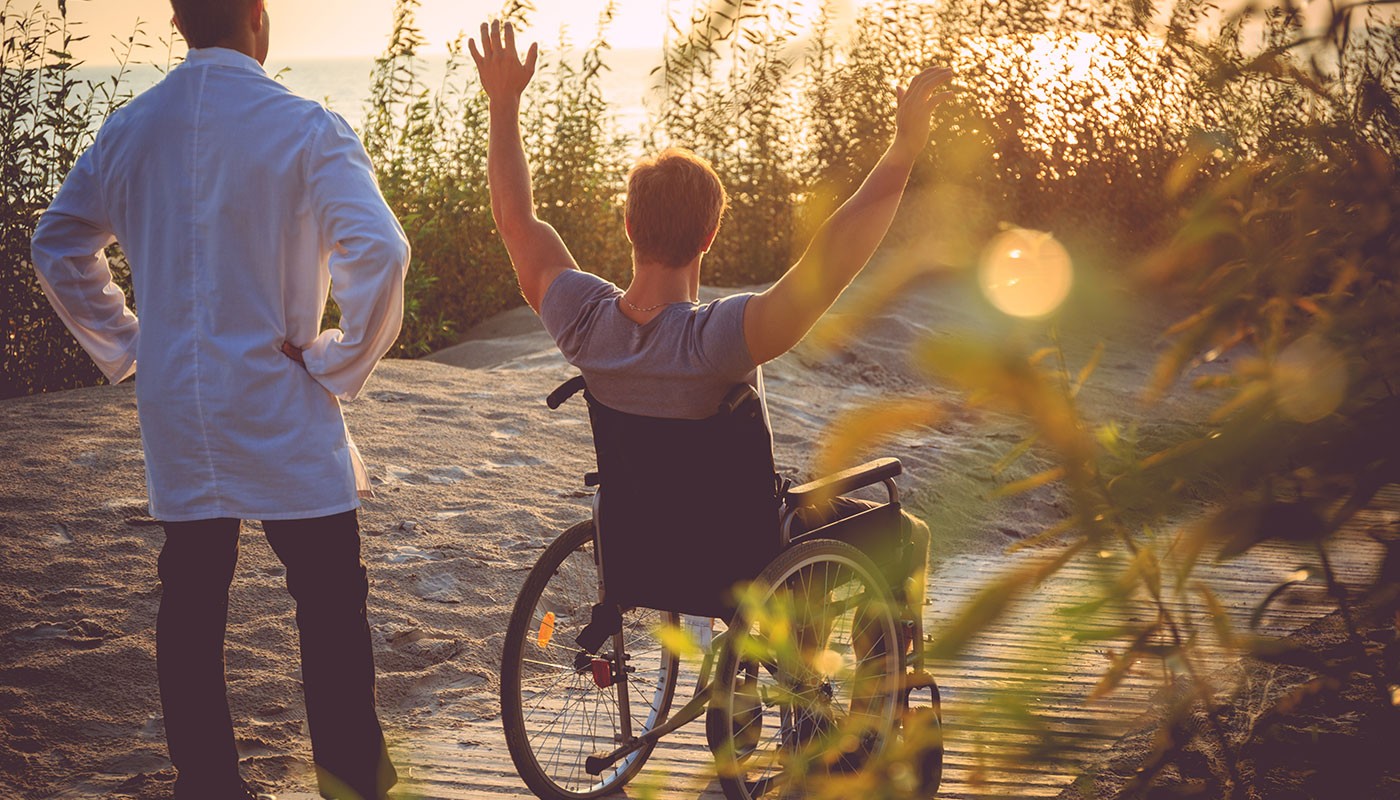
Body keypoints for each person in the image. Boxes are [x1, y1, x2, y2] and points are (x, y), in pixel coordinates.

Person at [29, 0, 408, 798]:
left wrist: (132, 341)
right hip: (280, 398)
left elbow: (58, 241)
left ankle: (208, 784)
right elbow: (379, 249)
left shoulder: (131, 127)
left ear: (177, 20)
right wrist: (336, 358)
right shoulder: (307, 127)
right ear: (258, 19)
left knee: (193, 599)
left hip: (181, 408)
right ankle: (353, 784)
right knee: (330, 603)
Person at [469, 20, 949, 610]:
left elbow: (516, 220)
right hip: (746, 560)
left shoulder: (584, 325)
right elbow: (833, 256)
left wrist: (504, 102)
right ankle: (881, 688)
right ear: (710, 235)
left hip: (646, 557)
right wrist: (903, 151)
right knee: (909, 534)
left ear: (629, 227)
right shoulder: (717, 340)